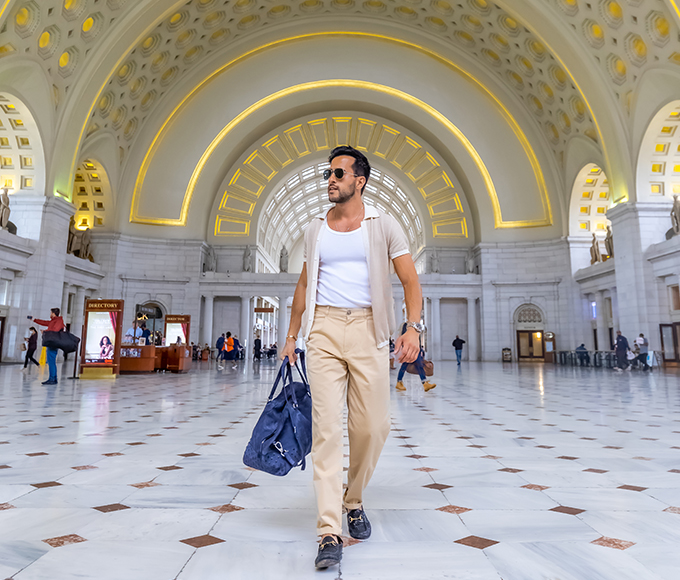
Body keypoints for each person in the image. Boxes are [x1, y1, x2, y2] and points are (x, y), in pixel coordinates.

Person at [280, 145, 422, 570]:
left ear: (360, 181)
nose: (331, 179)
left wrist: (413, 328)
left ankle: (353, 499)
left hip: (368, 329)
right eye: (328, 173)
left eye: (339, 173)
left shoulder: (383, 225)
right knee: (326, 430)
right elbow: (303, 285)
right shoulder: (315, 229)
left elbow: (410, 281)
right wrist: (292, 334)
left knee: (373, 427)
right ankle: (328, 530)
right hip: (323, 329)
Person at [396, 322, 435, 391]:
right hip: (410, 349)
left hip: (416, 349)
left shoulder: (414, 326)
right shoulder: (407, 325)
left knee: (417, 365)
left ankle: (424, 383)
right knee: (407, 366)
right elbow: (406, 337)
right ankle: (399, 382)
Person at [33, 308, 65, 385]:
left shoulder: (58, 321)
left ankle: (52, 378)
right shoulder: (54, 321)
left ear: (53, 313)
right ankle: (53, 378)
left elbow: (55, 330)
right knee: (51, 361)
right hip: (51, 342)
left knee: (51, 361)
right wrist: (34, 320)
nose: (50, 314)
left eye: (50, 313)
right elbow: (45, 322)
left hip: (53, 343)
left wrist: (45, 331)